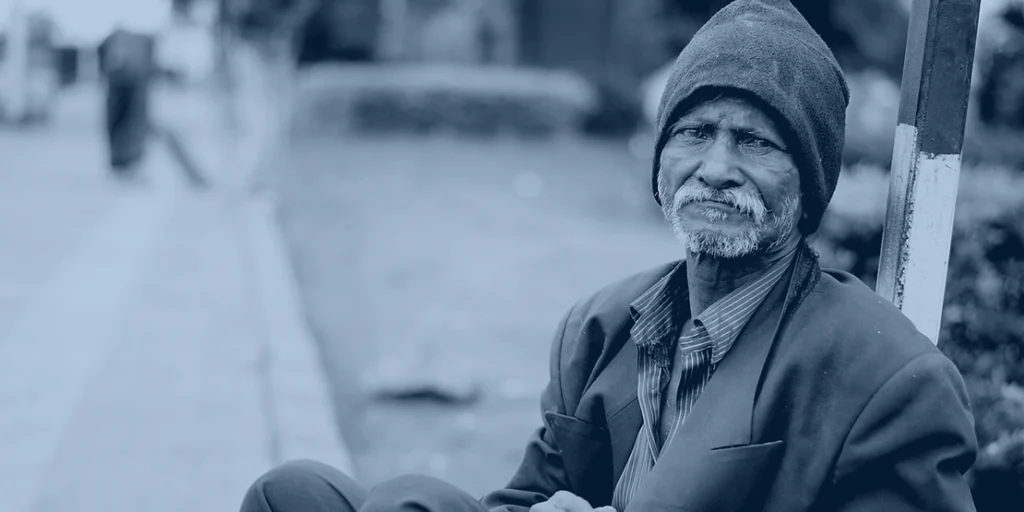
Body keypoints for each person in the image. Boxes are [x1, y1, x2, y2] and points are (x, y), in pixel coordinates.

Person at [239, 1, 979, 511]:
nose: (715, 167)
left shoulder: (889, 381)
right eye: (695, 133)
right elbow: (529, 493)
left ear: (809, 180)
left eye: (755, 141)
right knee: (295, 494)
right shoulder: (604, 328)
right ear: (659, 158)